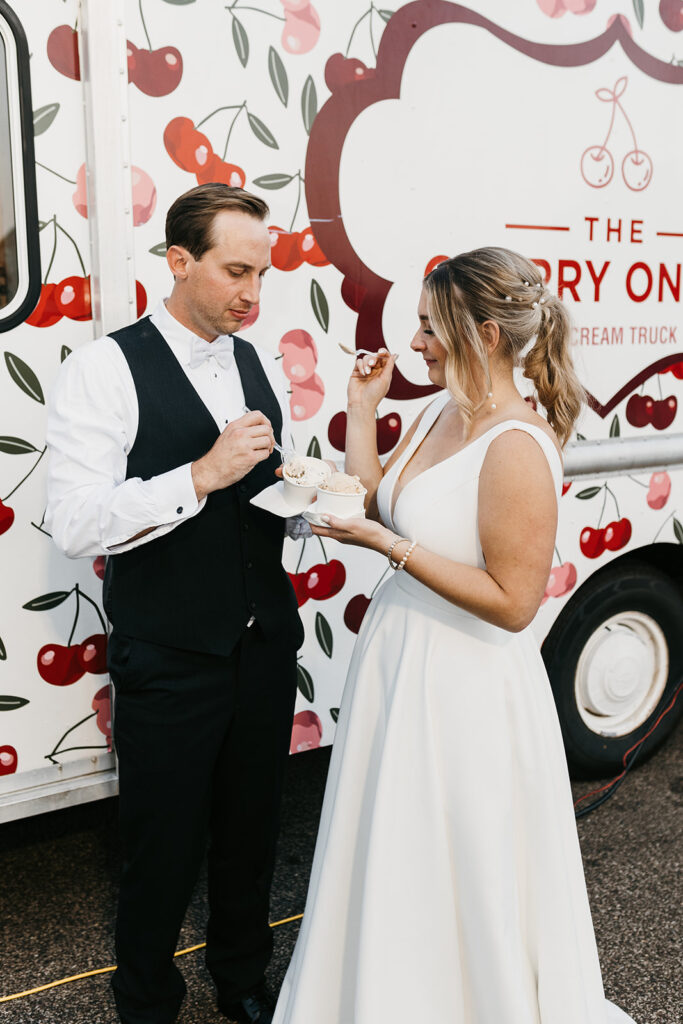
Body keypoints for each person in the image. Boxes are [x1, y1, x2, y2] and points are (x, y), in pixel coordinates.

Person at [272, 247, 636, 1024]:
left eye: (430, 326)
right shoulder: (444, 411)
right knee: (394, 851)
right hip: (399, 665)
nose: (415, 342)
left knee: (457, 862)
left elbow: (511, 603)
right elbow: (370, 497)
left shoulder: (515, 443)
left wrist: (386, 549)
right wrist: (361, 409)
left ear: (485, 336)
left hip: (466, 685)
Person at [46, 184, 304, 1024]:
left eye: (261, 275)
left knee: (252, 834)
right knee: (159, 848)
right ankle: (147, 999)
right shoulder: (103, 368)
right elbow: (73, 520)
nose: (252, 296)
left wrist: (306, 498)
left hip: (263, 644)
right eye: (236, 272)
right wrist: (198, 476)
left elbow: (264, 489)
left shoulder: (251, 359)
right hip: (168, 655)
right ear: (179, 260)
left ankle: (242, 979)